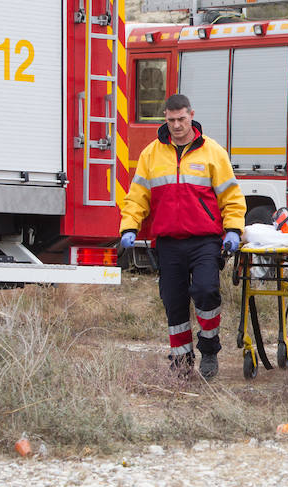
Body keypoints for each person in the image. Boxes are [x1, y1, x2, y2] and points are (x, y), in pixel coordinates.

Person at [119, 94, 246, 379]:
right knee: (174, 303)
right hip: (168, 242)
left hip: (204, 240)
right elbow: (137, 197)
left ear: (191, 115)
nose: (176, 125)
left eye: (181, 119)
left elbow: (231, 197)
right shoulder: (151, 154)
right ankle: (181, 360)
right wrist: (129, 227)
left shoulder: (213, 152)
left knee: (205, 292)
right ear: (165, 118)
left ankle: (209, 348)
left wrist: (234, 230)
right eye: (171, 120)